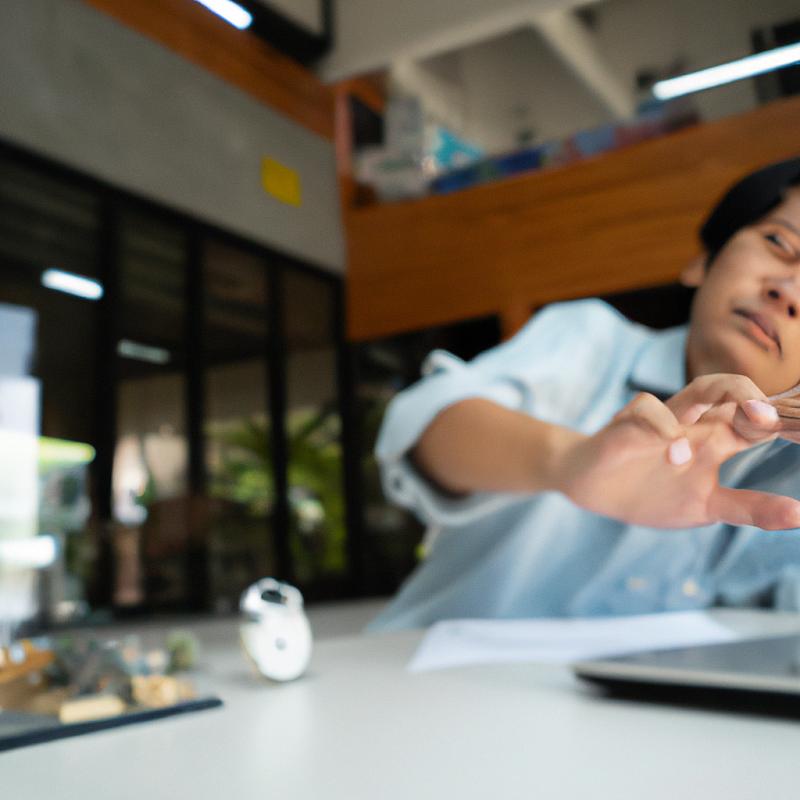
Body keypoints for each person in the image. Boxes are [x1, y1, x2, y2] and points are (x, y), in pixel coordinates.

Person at [369, 157, 800, 631]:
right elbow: (424, 425)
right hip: (429, 676)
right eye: (779, 243)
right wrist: (571, 462)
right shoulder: (591, 340)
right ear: (703, 260)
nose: (788, 291)